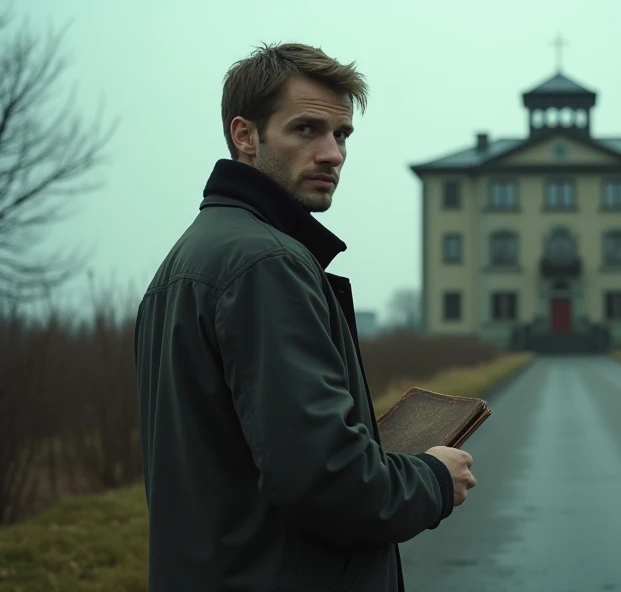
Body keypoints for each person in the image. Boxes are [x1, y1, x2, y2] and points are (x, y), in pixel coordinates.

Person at [133, 42, 476, 592]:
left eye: (341, 136)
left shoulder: (191, 258)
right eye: (306, 130)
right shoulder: (265, 264)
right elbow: (324, 480)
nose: (333, 154)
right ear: (246, 136)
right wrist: (433, 478)